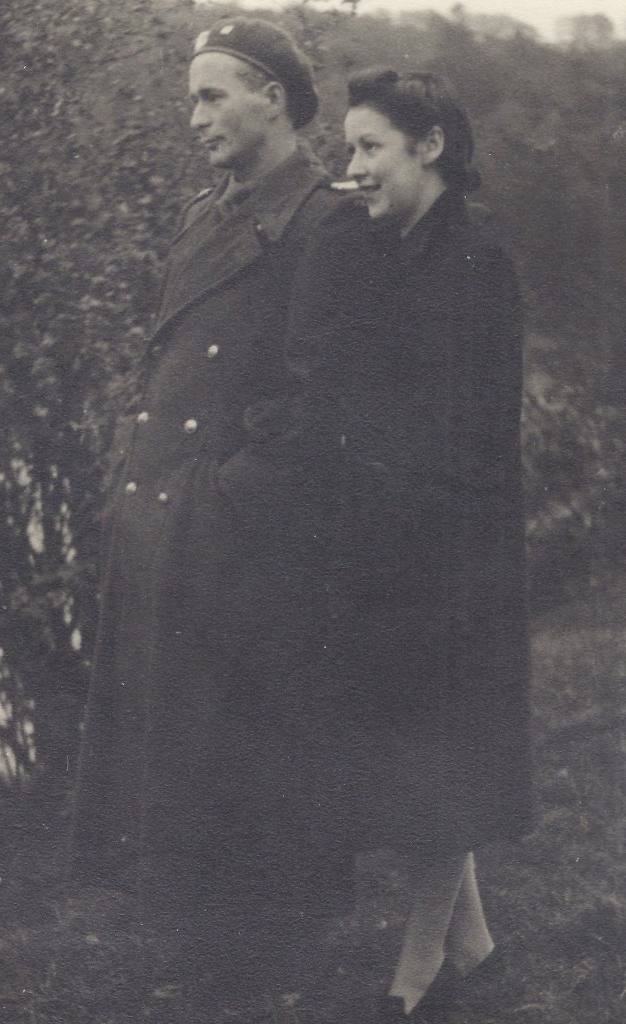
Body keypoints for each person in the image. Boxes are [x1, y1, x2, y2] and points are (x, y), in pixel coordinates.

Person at [69, 14, 346, 998]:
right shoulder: (205, 215)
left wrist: (219, 503)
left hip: (240, 559)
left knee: (242, 807)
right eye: (192, 97)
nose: (195, 117)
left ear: (274, 94)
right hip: (164, 537)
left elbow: (323, 406)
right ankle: (203, 976)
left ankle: (255, 982)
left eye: (212, 94)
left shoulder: (325, 221)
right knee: (172, 798)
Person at [285, 69, 532, 1020]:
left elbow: (466, 438)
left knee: (436, 763)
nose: (353, 169)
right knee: (420, 757)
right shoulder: (400, 248)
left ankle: (412, 976)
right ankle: (472, 950)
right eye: (349, 148)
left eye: (370, 148)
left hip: (451, 554)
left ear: (430, 146)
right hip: (398, 545)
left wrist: (387, 517)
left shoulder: (472, 259)